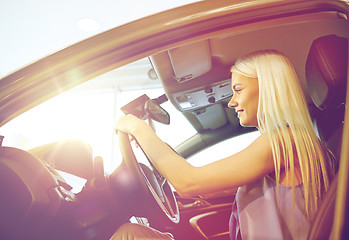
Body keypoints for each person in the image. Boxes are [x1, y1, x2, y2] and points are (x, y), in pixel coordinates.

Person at [113, 50, 335, 240]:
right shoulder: (291, 141)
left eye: (238, 90)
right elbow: (207, 188)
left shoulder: (282, 141)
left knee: (129, 234)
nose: (231, 102)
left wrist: (136, 127)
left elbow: (188, 182)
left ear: (268, 88)